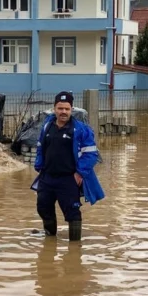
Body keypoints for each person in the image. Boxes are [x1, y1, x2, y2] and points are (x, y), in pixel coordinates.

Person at [31, 91, 104, 241]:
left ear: (71, 109)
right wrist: (39, 166)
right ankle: (50, 240)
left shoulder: (81, 130)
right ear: (54, 109)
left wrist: (79, 173)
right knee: (43, 208)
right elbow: (40, 147)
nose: (63, 112)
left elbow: (91, 154)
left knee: (72, 212)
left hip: (69, 179)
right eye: (60, 108)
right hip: (47, 177)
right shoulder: (46, 126)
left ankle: (75, 248)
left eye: (67, 109)